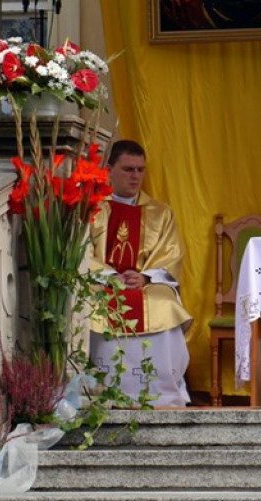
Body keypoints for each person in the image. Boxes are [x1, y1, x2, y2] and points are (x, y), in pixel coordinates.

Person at [89, 139, 192, 407]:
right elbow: (81, 254)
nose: (136, 176)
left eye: (140, 170)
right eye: (128, 169)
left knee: (163, 303)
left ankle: (160, 391)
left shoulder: (160, 212)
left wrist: (145, 277)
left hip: (145, 283)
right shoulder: (92, 208)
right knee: (92, 304)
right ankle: (103, 389)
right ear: (109, 169)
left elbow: (172, 255)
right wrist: (111, 276)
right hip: (102, 282)